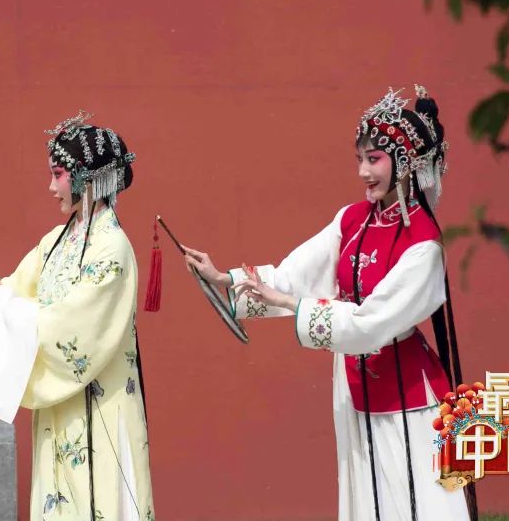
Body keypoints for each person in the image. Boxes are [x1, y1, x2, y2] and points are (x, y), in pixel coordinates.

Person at [184, 86, 476, 521]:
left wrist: (288, 302)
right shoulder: (352, 220)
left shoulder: (424, 246)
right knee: (368, 497)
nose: (363, 171)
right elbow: (293, 275)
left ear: (405, 161)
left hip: (408, 395)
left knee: (414, 499)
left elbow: (371, 324)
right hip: (354, 382)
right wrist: (225, 279)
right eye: (359, 159)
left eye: (374, 159)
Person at [0, 111, 155, 521]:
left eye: (58, 175)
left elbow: (75, 327)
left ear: (86, 178)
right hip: (60, 405)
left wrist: (9, 304)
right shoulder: (56, 242)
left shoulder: (112, 248)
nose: (51, 187)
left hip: (101, 402)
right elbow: (4, 291)